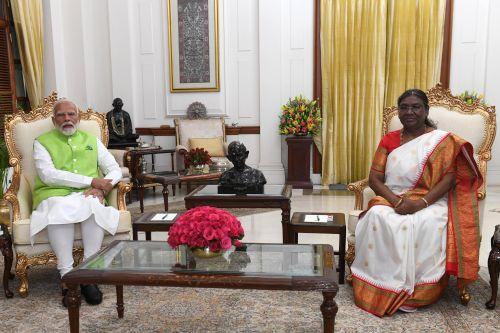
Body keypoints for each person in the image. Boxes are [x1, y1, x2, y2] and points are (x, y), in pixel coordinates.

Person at [350, 89, 482, 317]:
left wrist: (420, 203)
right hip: (393, 196)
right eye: (404, 107)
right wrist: (395, 200)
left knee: (426, 222)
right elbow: (375, 178)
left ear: (425, 110)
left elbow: (451, 178)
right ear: (398, 112)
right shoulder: (389, 140)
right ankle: (380, 285)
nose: (409, 112)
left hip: (430, 200)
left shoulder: (442, 141)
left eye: (415, 107)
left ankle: (417, 292)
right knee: (377, 216)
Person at [31, 99, 123, 306]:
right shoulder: (42, 142)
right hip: (54, 194)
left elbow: (114, 168)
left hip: (88, 193)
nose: (67, 119)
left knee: (93, 205)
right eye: (61, 115)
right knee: (59, 209)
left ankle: (88, 275)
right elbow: (48, 175)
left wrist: (102, 187)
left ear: (78, 118)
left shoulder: (91, 140)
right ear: (54, 120)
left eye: (71, 114)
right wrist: (91, 181)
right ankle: (67, 278)